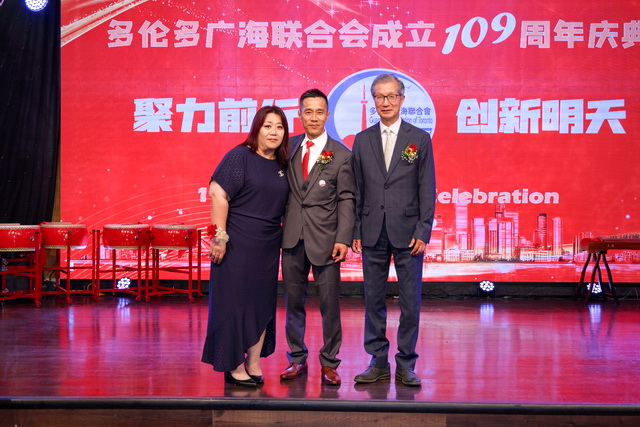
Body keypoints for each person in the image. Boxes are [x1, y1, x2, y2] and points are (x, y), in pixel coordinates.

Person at [351, 74, 436, 387]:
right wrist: (356, 229)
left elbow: (427, 186)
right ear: (373, 100)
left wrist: (423, 230)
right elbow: (357, 188)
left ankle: (406, 363)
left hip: (408, 232)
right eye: (379, 97)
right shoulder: (362, 139)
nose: (385, 102)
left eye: (391, 96)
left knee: (410, 302)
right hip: (372, 230)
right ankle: (377, 361)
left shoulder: (419, 138)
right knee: (373, 300)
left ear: (402, 99)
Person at [202, 106, 290, 387]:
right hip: (236, 243)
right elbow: (218, 193)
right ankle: (233, 363)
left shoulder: (283, 164)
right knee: (234, 305)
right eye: (267, 126)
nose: (273, 132)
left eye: (279, 127)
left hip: (267, 246)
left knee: (261, 305)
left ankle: (253, 362)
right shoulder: (240, 156)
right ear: (257, 129)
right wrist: (220, 237)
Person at [280, 89, 356, 386]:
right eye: (308, 112)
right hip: (291, 238)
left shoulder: (342, 154)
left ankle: (329, 362)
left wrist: (343, 238)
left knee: (329, 306)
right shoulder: (287, 148)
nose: (313, 117)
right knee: (292, 303)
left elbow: (346, 198)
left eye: (319, 112)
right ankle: (297, 359)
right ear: (299, 115)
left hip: (326, 241)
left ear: (327, 115)